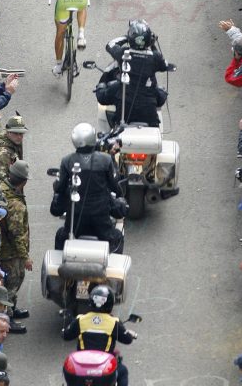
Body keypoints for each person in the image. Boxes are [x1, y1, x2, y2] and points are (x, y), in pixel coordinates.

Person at [51, 122, 124, 253]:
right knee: (118, 237)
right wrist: (120, 196)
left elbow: (60, 189)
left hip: (75, 224)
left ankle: (57, 271)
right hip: (102, 224)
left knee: (60, 236)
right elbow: (114, 186)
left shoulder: (67, 161)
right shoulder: (106, 160)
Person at [96, 19, 169, 128]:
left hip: (124, 119)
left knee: (102, 93)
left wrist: (128, 37)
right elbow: (164, 65)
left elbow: (110, 44)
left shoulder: (124, 53)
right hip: (151, 120)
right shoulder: (154, 57)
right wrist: (153, 44)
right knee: (162, 93)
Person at [62, 285, 136, 386]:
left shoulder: (81, 319)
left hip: (81, 368)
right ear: (110, 303)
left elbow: (66, 336)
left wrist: (65, 327)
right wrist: (128, 333)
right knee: (123, 372)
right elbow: (127, 340)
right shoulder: (114, 322)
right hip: (103, 370)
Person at [0, 159, 32, 325]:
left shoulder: (3, 190)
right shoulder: (16, 204)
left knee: (10, 281)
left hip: (4, 247)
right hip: (11, 252)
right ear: (24, 181)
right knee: (13, 282)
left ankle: (12, 309)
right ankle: (7, 318)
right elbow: (17, 234)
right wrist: (25, 256)